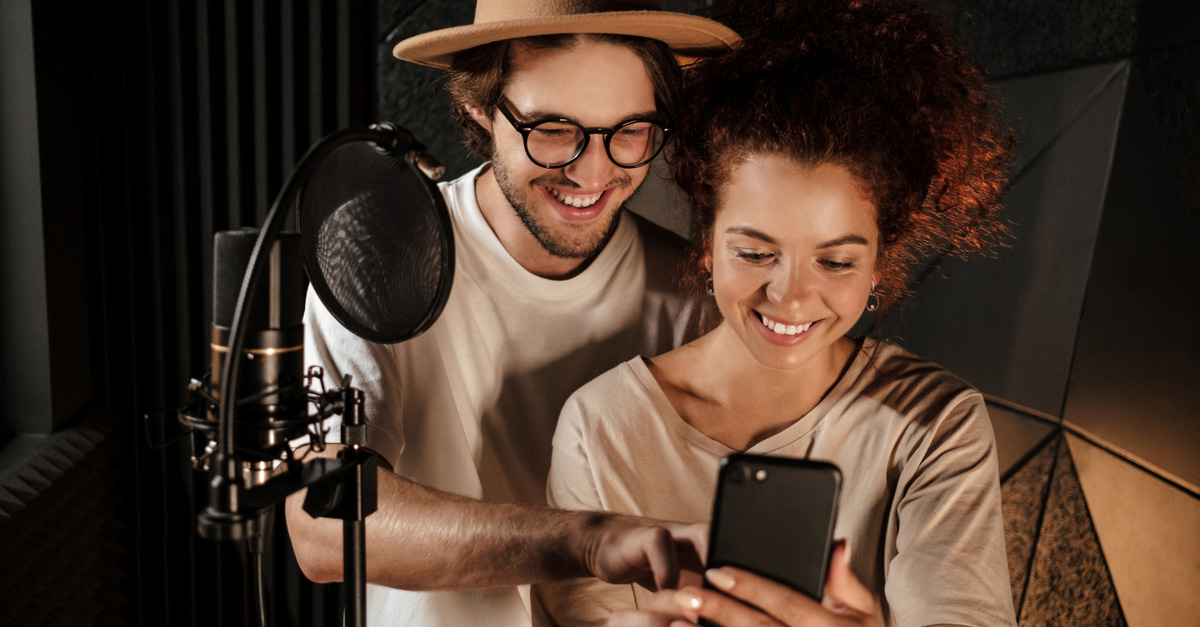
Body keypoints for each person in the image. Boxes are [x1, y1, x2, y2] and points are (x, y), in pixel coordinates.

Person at [534, 0, 1017, 626]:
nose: (789, 297)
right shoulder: (600, 428)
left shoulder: (933, 426)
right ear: (707, 243)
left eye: (836, 263)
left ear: (879, 263)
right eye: (756, 252)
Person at [284, 1, 739, 626]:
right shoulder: (376, 259)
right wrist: (586, 542)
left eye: (630, 130)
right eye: (553, 128)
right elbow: (323, 529)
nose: (593, 170)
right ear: (477, 104)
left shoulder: (700, 297)